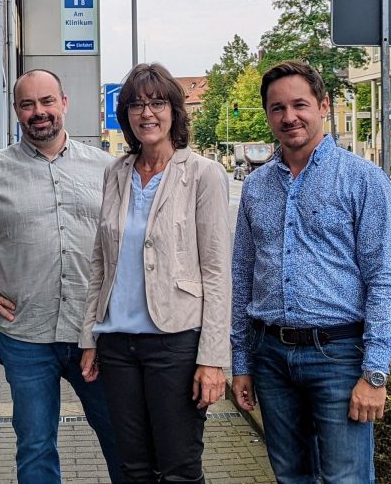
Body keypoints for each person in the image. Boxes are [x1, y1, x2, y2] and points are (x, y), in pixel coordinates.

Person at [0, 69, 121, 483]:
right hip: (25, 337)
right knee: (34, 447)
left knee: (123, 439)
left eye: (47, 101)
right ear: (16, 111)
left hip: (94, 336)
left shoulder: (107, 168)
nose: (39, 112)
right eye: (28, 104)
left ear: (64, 103)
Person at [231, 60, 391, 483]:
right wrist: (242, 361)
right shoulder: (256, 187)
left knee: (345, 478)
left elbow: (384, 278)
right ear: (268, 114)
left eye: (299, 104)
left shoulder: (363, 179)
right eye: (277, 108)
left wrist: (375, 373)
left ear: (323, 105)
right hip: (271, 357)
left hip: (340, 358)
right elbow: (242, 275)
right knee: (290, 476)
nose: (289, 117)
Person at [79, 62, 232, 484]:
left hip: (176, 344)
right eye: (136, 105)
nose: (147, 113)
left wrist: (214, 359)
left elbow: (218, 272)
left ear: (174, 111)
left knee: (180, 468)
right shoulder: (116, 173)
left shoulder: (203, 174)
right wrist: (90, 336)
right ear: (125, 115)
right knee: (132, 469)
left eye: (157, 102)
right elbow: (100, 262)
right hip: (118, 346)